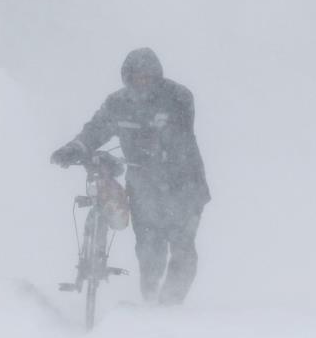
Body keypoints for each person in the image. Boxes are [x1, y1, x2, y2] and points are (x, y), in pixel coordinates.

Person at [51, 48, 210, 305]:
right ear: (127, 78)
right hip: (143, 187)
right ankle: (149, 301)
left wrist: (159, 141)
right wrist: (75, 148)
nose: (142, 83)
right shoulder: (117, 104)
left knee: (181, 246)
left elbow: (182, 134)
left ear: (157, 77)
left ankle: (170, 304)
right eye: (137, 77)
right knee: (149, 249)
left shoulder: (179, 98)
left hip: (184, 186)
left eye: (148, 77)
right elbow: (96, 129)